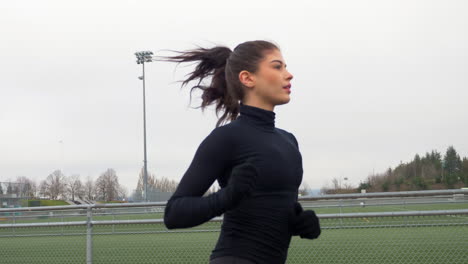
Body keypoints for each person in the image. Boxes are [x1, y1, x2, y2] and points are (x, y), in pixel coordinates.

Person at [156, 40, 321, 264]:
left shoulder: (289, 141)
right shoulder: (226, 138)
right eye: (277, 66)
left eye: (285, 67)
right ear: (247, 78)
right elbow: (174, 214)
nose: (289, 74)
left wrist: (297, 222)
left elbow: (267, 209)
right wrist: (227, 196)